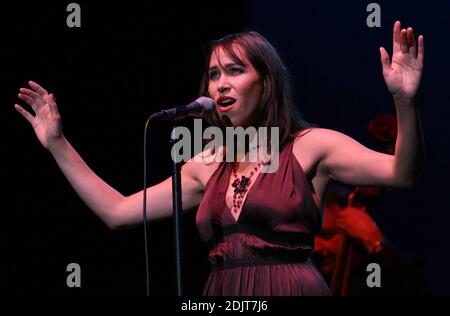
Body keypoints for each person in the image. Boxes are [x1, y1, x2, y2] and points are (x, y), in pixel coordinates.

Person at [14, 21, 424, 296]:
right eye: (214, 74)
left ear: (265, 83)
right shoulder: (207, 163)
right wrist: (57, 144)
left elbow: (402, 173)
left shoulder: (311, 145)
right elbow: (117, 211)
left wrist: (404, 102)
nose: (221, 83)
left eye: (234, 71)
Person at [313, 184, 430, 295]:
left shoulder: (372, 270)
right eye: (311, 237)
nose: (316, 247)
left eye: (327, 236)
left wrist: (375, 242)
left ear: (352, 228)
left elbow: (406, 288)